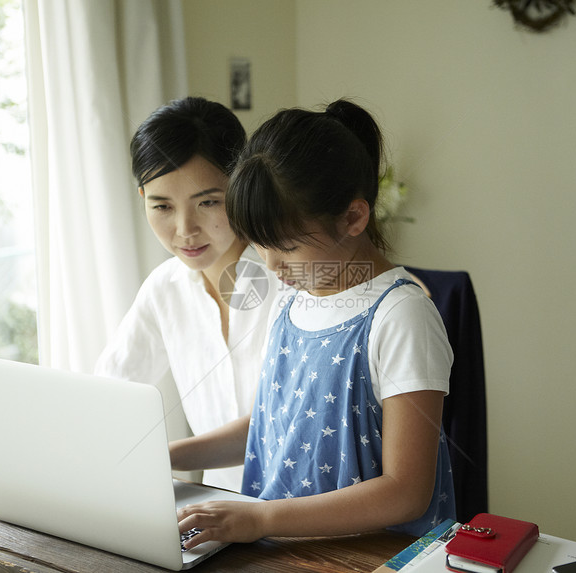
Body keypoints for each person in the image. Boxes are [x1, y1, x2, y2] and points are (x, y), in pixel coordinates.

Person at [171, 99, 456, 548]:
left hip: (368, 555)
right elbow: (274, 424)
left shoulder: (401, 316)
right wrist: (168, 455)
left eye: (285, 247)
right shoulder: (294, 298)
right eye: (261, 245)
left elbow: (407, 493)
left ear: (354, 217)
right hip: (285, 550)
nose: (271, 265)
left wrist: (261, 518)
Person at [94, 97, 278, 492]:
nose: (185, 229)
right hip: (216, 508)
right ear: (143, 199)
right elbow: (110, 390)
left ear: (242, 187)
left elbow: (280, 421)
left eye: (207, 202)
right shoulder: (165, 288)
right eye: (162, 206)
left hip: (302, 511)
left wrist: (160, 457)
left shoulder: (288, 279)